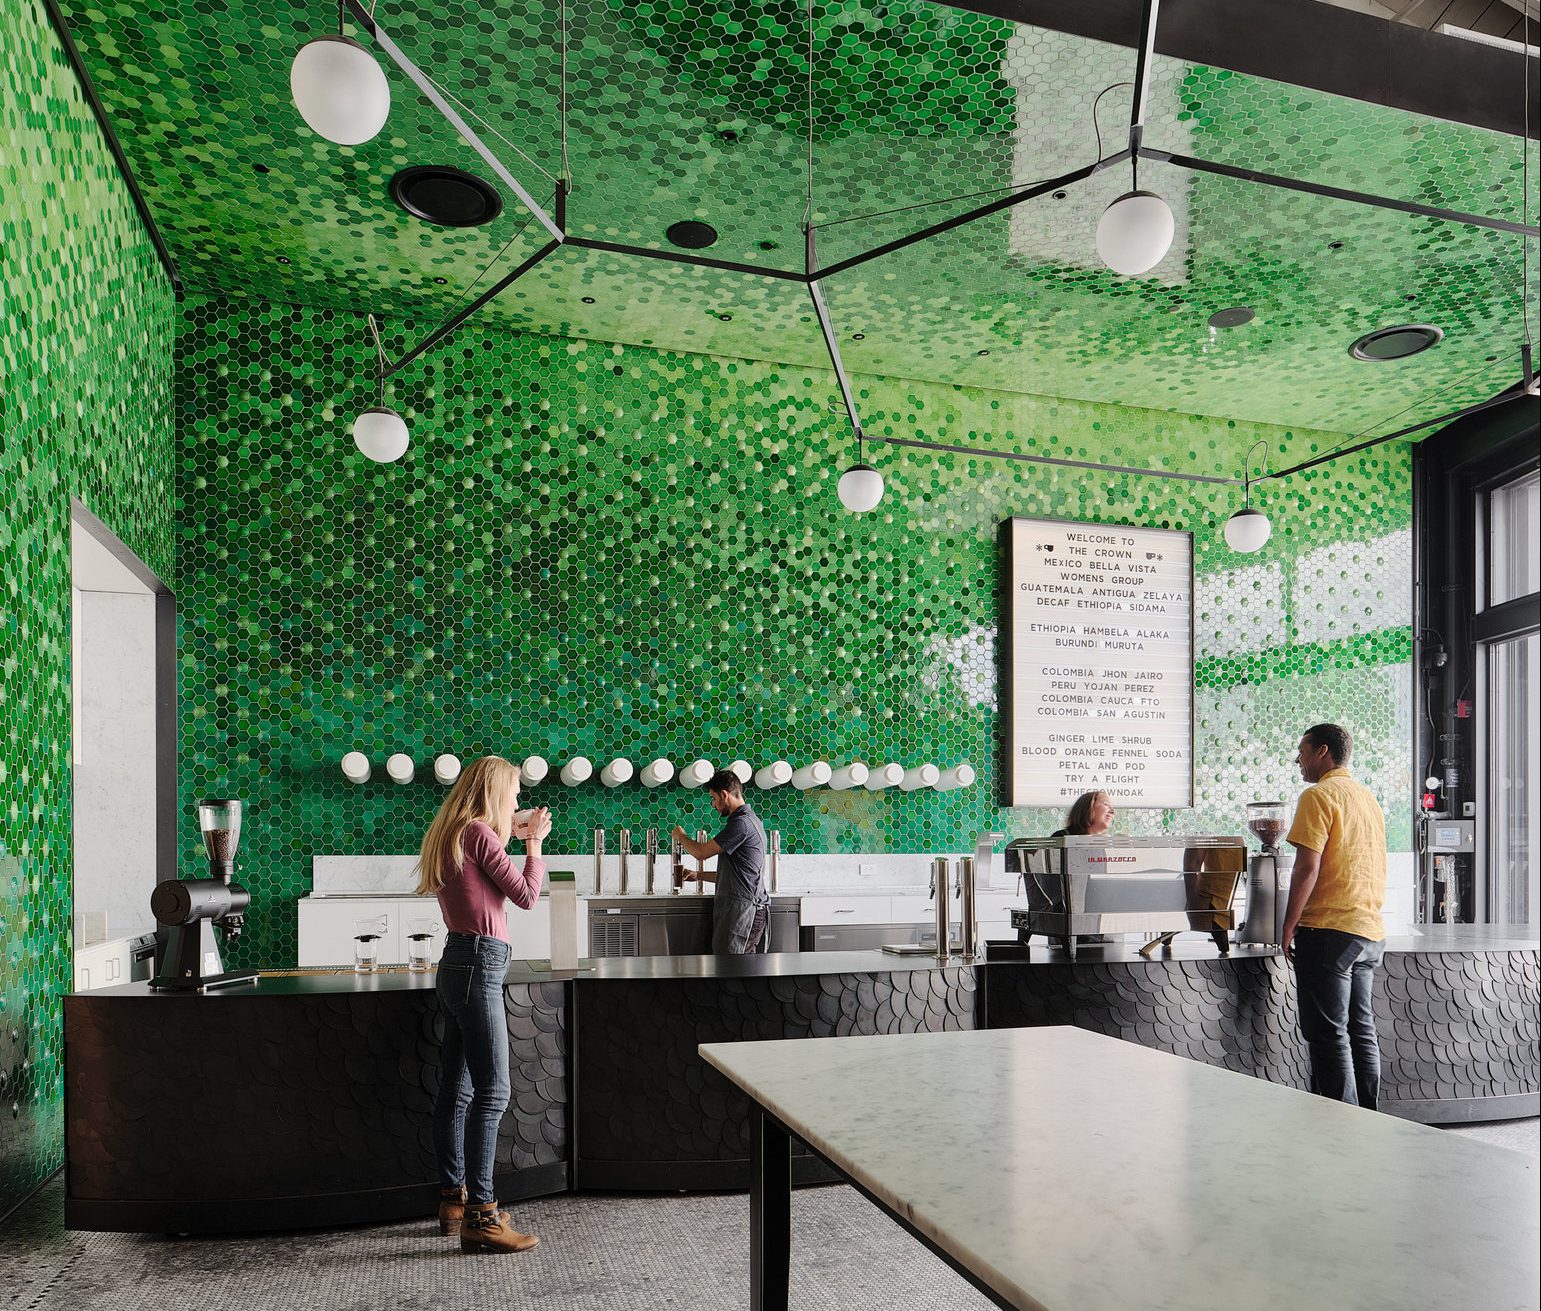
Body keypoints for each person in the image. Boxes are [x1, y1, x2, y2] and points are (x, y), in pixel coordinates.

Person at [414, 756, 551, 1253]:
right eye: (513, 792)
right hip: (480, 964)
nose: (518, 801)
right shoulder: (479, 834)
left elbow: (484, 861)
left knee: (456, 1089)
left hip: (455, 965)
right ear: (494, 791)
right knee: (494, 1090)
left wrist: (510, 832)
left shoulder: (457, 831)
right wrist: (533, 845)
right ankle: (483, 1214)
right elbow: (527, 895)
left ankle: (454, 1197)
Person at [1281, 723, 1388, 1109]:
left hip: (1327, 928)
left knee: (1328, 1034)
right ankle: (1369, 1118)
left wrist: (1288, 925)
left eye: (1303, 752)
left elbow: (1306, 868)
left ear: (1322, 752)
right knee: (1361, 1030)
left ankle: (1338, 1126)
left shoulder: (1318, 795)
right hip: (1368, 930)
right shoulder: (1366, 797)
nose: (1299, 760)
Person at [671, 769, 770, 954]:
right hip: (746, 909)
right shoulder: (751, 820)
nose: (713, 804)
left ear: (724, 795)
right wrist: (698, 875)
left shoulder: (741, 824)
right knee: (735, 971)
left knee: (732, 971)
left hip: (744, 912)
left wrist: (681, 837)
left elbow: (701, 853)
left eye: (714, 798)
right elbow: (737, 876)